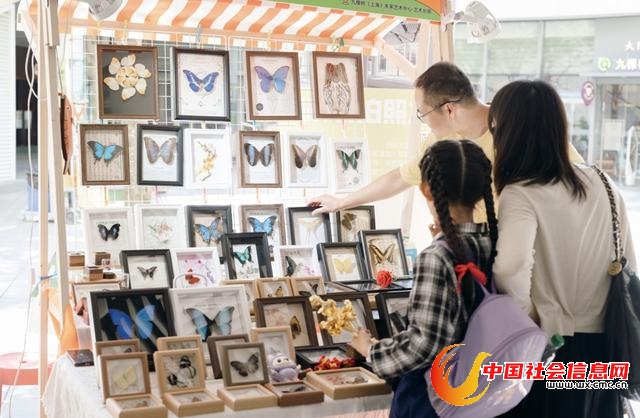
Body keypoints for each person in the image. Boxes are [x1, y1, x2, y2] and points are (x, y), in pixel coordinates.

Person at [490, 80, 637, 418]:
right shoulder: (602, 181)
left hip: (551, 347)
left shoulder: (520, 192)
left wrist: (531, 316)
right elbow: (627, 263)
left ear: (507, 132)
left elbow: (510, 268)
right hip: (605, 347)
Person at [307, 62, 584, 222]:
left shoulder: (519, 127)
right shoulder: (440, 142)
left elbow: (579, 178)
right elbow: (399, 178)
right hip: (476, 257)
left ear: (449, 108)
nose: (424, 121)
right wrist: (342, 202)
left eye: (423, 113)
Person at [349, 139, 498, 418]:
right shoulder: (497, 244)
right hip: (484, 392)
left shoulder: (437, 256)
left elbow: (424, 344)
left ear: (426, 189)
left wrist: (370, 350)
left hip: (433, 400)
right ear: (481, 190)